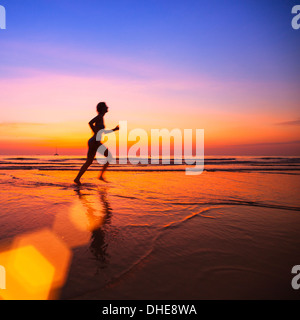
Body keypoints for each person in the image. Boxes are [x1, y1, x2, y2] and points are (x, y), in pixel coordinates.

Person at [74, 102, 119, 185]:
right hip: (95, 141)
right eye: (106, 106)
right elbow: (90, 123)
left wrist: (114, 129)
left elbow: (103, 132)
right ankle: (100, 176)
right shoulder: (99, 117)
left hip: (93, 141)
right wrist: (94, 131)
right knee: (109, 156)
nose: (107, 107)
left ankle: (77, 179)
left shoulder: (101, 117)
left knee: (89, 162)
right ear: (102, 108)